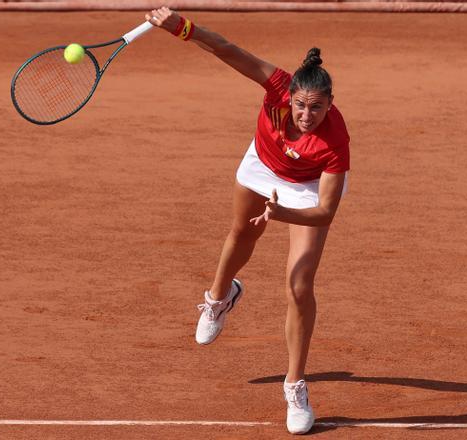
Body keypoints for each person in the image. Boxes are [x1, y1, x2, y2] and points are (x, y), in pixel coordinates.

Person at [148, 7, 350, 435]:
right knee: (243, 231)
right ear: (289, 95)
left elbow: (325, 213)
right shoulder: (276, 84)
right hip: (263, 164)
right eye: (300, 105)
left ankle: (294, 384)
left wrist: (283, 214)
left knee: (299, 284)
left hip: (308, 190)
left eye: (316, 108)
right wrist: (181, 27)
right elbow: (225, 49)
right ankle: (219, 297)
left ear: (330, 104)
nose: (306, 115)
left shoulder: (335, 142)